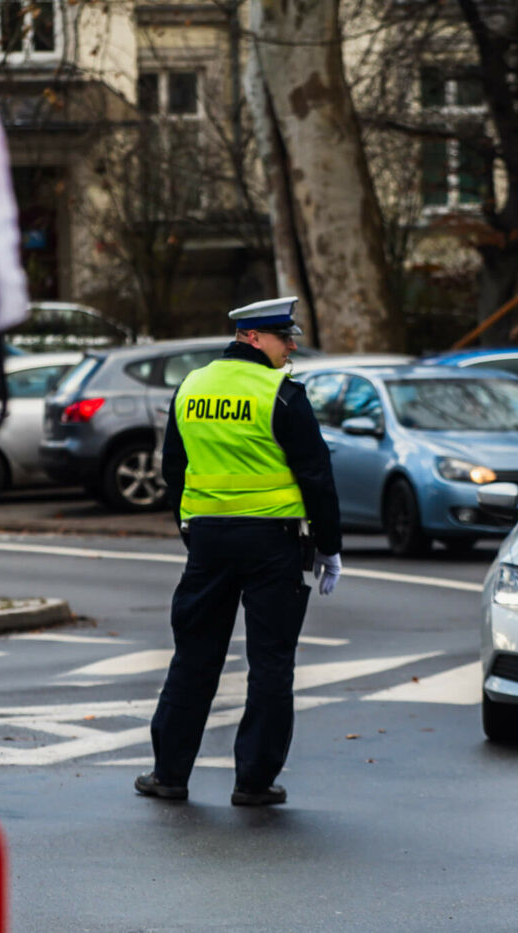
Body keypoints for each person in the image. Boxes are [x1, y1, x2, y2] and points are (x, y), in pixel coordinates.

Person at [134, 297, 342, 807]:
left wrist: (190, 525)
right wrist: (330, 547)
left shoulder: (191, 387)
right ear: (252, 337)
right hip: (273, 543)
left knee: (194, 656)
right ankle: (254, 781)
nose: (292, 346)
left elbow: (173, 469)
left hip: (207, 540)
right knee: (270, 661)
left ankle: (169, 774)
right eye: (282, 336)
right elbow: (315, 473)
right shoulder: (281, 393)